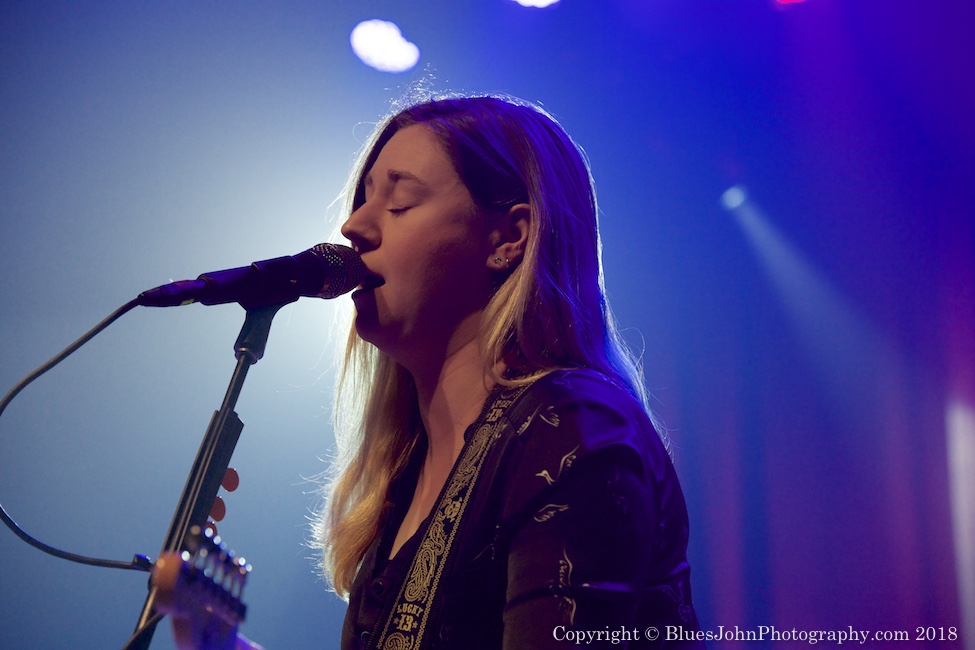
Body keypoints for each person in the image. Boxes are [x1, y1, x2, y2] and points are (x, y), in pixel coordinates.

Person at [311, 94, 704, 649]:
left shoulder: (573, 428)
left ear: (510, 238)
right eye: (362, 200)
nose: (353, 226)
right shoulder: (402, 480)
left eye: (398, 202)